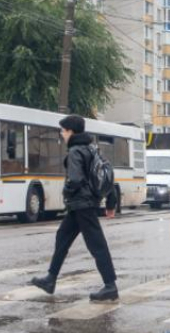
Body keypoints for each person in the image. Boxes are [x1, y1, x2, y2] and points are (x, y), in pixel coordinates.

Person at [31, 114, 119, 302]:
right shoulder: (92, 148)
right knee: (62, 237)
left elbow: (76, 179)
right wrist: (111, 202)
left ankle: (110, 286)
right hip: (82, 205)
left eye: (63, 131)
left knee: (97, 245)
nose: (62, 134)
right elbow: (108, 174)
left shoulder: (75, 151)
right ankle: (50, 279)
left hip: (81, 205)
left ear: (71, 131)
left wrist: (67, 191)